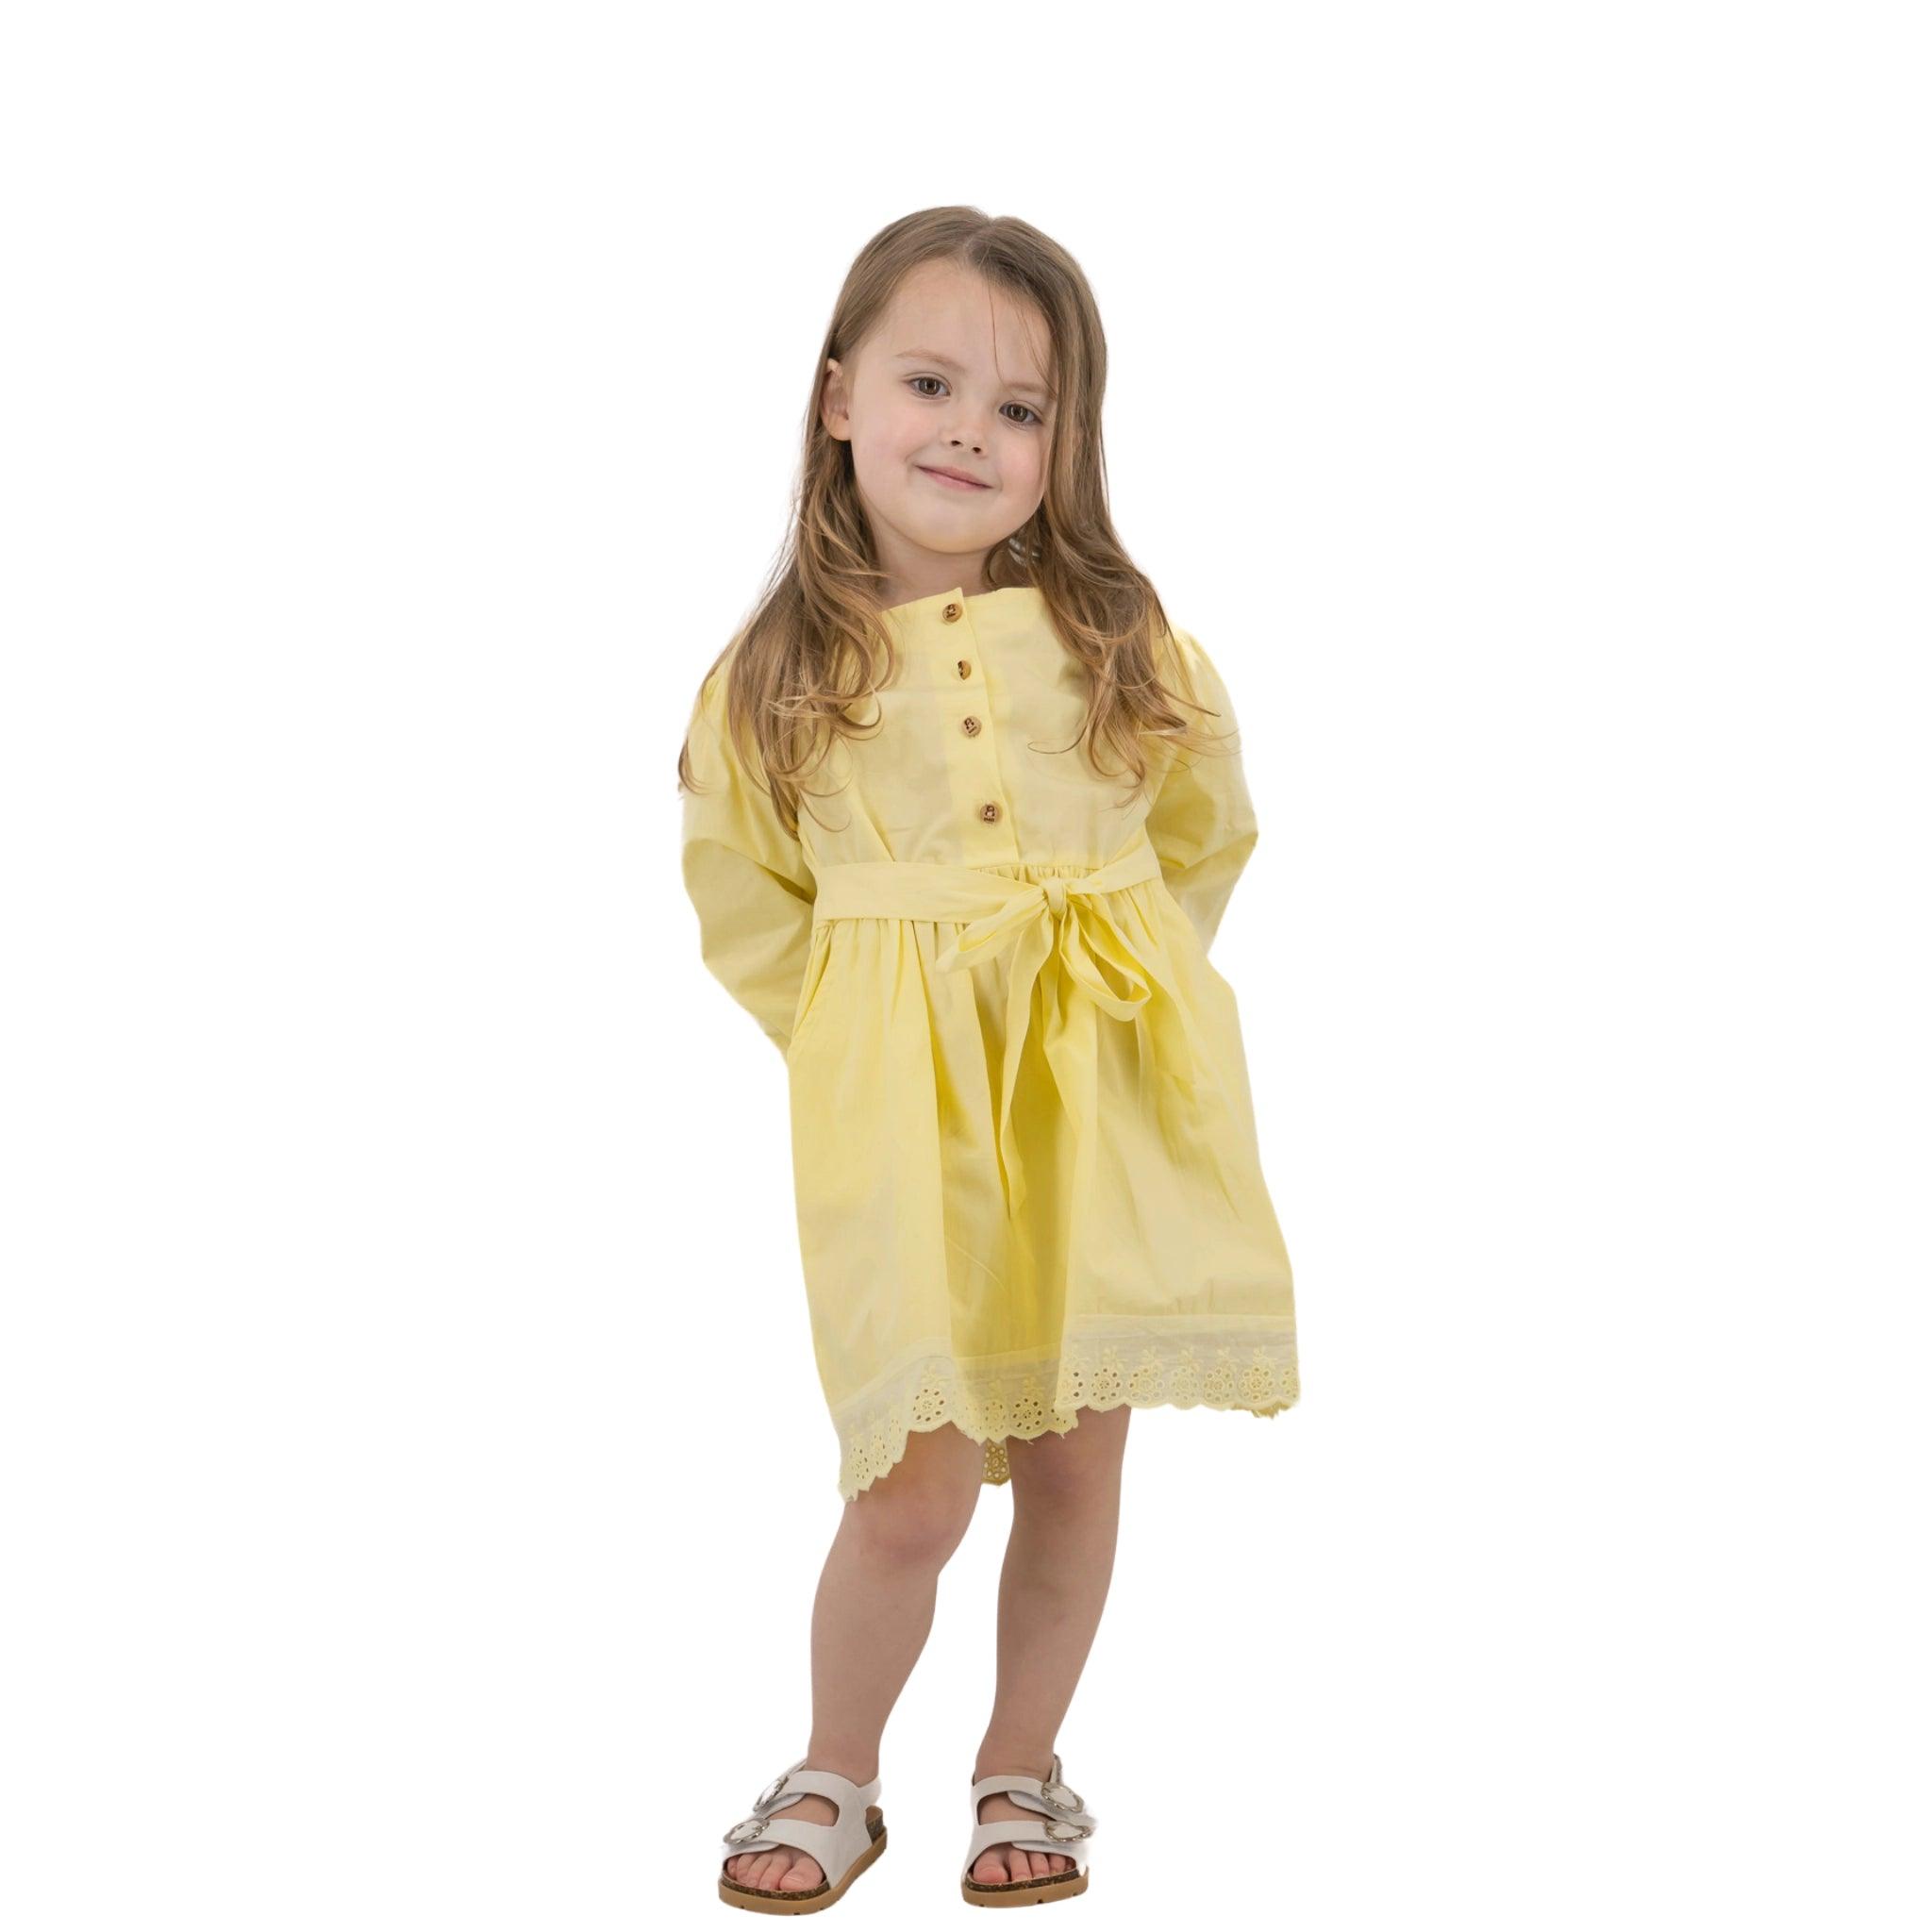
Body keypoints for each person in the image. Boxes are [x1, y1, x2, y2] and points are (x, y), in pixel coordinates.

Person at [677, 208, 1300, 1912]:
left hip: (1094, 1092)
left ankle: (1020, 1762)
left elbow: (1203, 834)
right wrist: (866, 1035)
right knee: (913, 1483)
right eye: (930, 382)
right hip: (900, 1117)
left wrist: (1114, 991)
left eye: (1020, 409)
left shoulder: (1126, 645)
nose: (969, 429)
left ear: (1066, 443)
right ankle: (836, 1767)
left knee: (1081, 1455)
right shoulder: (775, 681)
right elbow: (748, 906)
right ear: (836, 400)